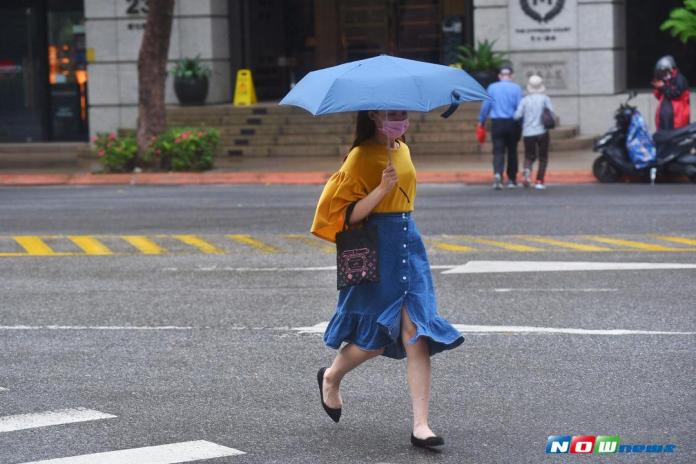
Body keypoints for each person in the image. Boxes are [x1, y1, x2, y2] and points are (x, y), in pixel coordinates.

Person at [311, 110, 464, 450]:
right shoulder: (360, 156)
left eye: (403, 113)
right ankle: (332, 376)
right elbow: (346, 214)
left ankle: (421, 425)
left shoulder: (402, 148)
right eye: (392, 114)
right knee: (374, 341)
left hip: (409, 245)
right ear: (374, 116)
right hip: (377, 248)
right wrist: (382, 188)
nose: (400, 119)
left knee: (417, 334)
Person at [478, 64, 523, 190]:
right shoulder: (516, 88)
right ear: (512, 76)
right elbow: (520, 107)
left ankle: (498, 174)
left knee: (498, 151)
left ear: (499, 76)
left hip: (497, 122)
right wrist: (522, 123)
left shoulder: (492, 87)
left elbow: (485, 106)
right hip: (512, 122)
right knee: (512, 151)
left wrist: (481, 121)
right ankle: (512, 179)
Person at [514, 75, 554, 190]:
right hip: (542, 131)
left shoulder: (525, 100)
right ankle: (539, 181)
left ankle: (527, 170)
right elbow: (552, 114)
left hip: (528, 132)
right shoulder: (545, 99)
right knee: (543, 157)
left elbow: (517, 115)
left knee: (529, 156)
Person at [651, 55, 690, 131]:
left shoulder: (680, 79)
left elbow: (676, 94)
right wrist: (658, 87)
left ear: (670, 69)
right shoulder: (667, 80)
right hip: (664, 121)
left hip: (676, 121)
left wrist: (663, 87)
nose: (662, 75)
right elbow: (659, 97)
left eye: (663, 72)